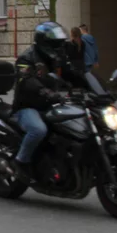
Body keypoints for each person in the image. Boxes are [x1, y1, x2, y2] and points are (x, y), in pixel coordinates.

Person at [12, 22, 87, 182]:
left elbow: (72, 74)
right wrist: (45, 91)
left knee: (75, 126)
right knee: (38, 130)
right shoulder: (27, 58)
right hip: (28, 106)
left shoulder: (57, 57)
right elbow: (26, 81)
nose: (59, 47)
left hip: (51, 104)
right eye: (56, 44)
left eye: (60, 44)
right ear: (44, 42)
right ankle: (21, 162)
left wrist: (99, 89)